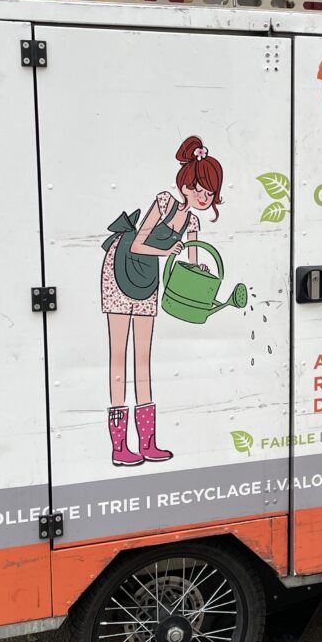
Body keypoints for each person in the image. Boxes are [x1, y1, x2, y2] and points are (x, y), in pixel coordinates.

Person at [99, 136, 223, 467]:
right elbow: (138, 244)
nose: (203, 197)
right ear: (186, 185)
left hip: (148, 277)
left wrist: (199, 273)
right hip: (121, 266)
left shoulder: (193, 222)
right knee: (118, 357)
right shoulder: (165, 203)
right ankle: (119, 446)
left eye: (209, 194)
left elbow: (192, 260)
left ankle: (148, 442)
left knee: (143, 358)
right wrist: (167, 250)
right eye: (200, 189)